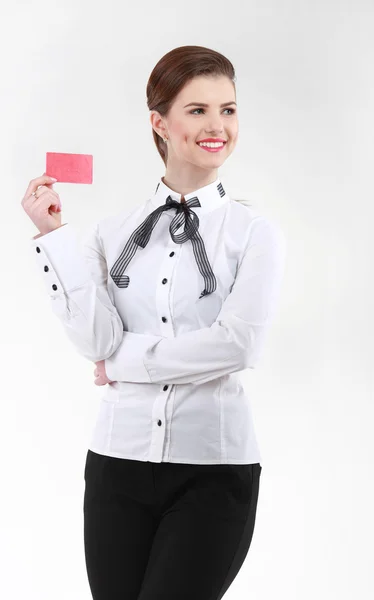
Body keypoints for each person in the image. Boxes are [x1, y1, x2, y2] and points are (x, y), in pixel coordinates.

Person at [22, 45, 286, 600]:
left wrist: (125, 362)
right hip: (116, 465)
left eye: (229, 109)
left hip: (214, 472)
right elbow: (94, 340)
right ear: (159, 123)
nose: (218, 126)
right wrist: (54, 238)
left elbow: (238, 344)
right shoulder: (111, 233)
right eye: (197, 110)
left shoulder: (253, 233)